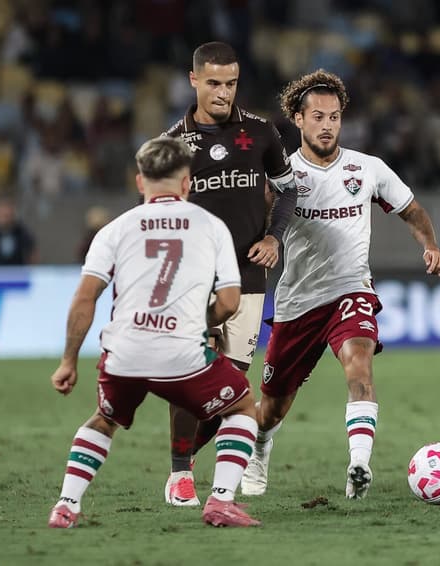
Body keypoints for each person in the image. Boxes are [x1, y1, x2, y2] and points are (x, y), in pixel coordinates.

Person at [240, 69, 440, 499]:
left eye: (334, 117)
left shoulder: (367, 169)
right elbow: (255, 229)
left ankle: (359, 464)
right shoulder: (283, 176)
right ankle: (260, 446)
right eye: (317, 117)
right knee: (272, 408)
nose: (327, 125)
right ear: (298, 119)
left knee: (359, 364)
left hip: (351, 290)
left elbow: (411, 210)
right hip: (298, 303)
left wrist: (430, 245)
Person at [47, 136, 261, 529]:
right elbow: (230, 302)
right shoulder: (211, 226)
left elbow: (84, 298)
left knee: (104, 420)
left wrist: (68, 361)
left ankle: (66, 505)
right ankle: (220, 500)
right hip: (183, 355)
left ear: (140, 182)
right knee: (243, 406)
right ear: (187, 183)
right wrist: (200, 322)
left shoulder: (114, 230)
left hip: (124, 353)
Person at [159, 41, 297, 506]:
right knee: (194, 374)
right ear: (193, 79)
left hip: (249, 276)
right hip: (194, 278)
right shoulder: (172, 145)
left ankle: (192, 460)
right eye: (214, 83)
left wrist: (274, 238)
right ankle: (181, 475)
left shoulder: (260, 133)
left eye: (231, 83)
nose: (223, 92)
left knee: (230, 389)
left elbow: (288, 191)